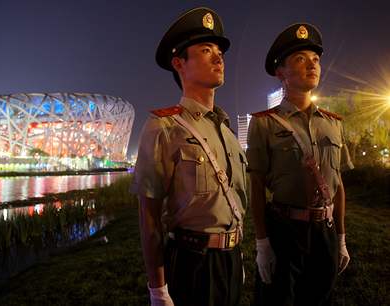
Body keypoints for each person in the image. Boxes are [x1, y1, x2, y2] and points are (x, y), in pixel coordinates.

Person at [130, 7, 247, 306]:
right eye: (206, 50)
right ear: (179, 63)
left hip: (231, 261)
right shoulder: (164, 127)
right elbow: (150, 216)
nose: (218, 57)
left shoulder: (227, 131)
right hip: (192, 266)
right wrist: (158, 289)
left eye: (219, 50)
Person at [247, 23, 354, 306]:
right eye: (300, 59)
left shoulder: (333, 124)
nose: (312, 65)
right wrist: (262, 243)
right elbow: (256, 185)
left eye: (316, 59)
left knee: (319, 298)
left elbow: (338, 184)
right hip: (284, 230)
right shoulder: (263, 123)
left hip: (325, 230)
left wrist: (341, 237)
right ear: (281, 72)